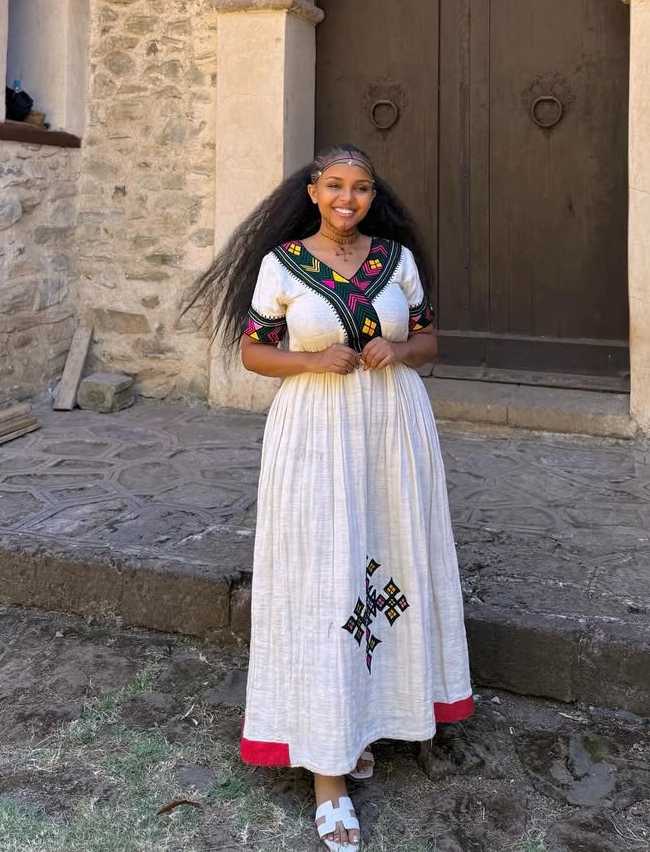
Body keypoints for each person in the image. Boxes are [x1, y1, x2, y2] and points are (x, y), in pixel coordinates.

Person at [185, 143, 473, 849]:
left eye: (363, 187)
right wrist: (312, 359)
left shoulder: (395, 260)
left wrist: (398, 351)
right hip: (315, 432)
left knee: (388, 565)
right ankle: (328, 775)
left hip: (393, 429)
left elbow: (430, 337)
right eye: (336, 186)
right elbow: (255, 351)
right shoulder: (282, 265)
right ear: (313, 191)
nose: (350, 198)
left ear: (374, 195)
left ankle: (368, 718)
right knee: (324, 578)